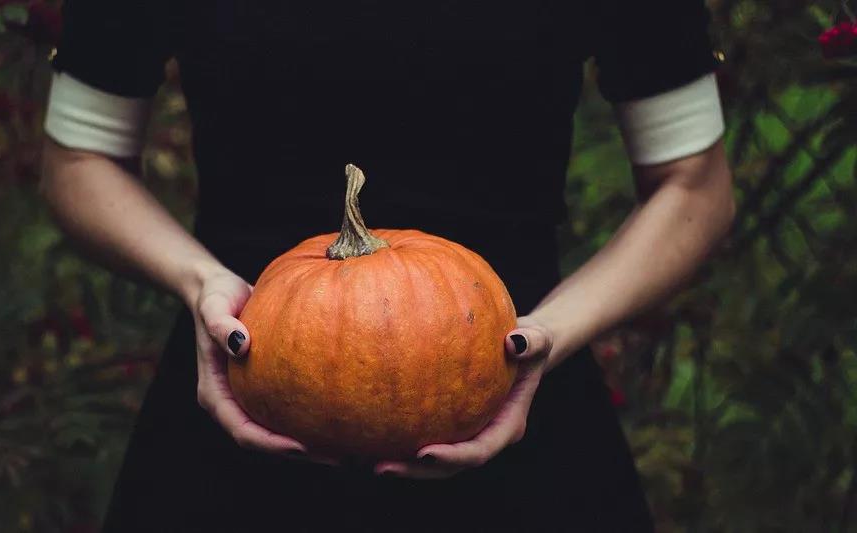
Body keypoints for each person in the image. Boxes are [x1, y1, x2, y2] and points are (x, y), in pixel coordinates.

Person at [40, 0, 735, 531]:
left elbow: (694, 182)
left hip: (514, 388)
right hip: (242, 377)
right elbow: (79, 159)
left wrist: (549, 332)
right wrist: (200, 284)